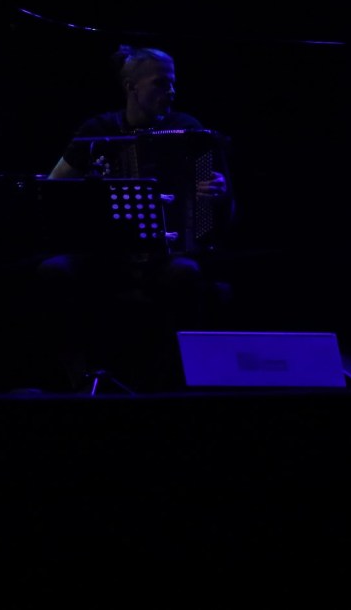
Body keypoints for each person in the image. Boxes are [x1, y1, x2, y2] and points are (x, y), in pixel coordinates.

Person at [38, 44, 234, 393]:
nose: (170, 92)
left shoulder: (190, 131)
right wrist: (90, 191)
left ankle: (172, 383)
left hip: (167, 256)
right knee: (54, 271)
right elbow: (54, 188)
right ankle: (75, 376)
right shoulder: (98, 130)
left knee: (187, 274)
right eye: (161, 84)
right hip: (104, 256)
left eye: (172, 84)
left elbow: (224, 211)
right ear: (132, 87)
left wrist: (218, 195)